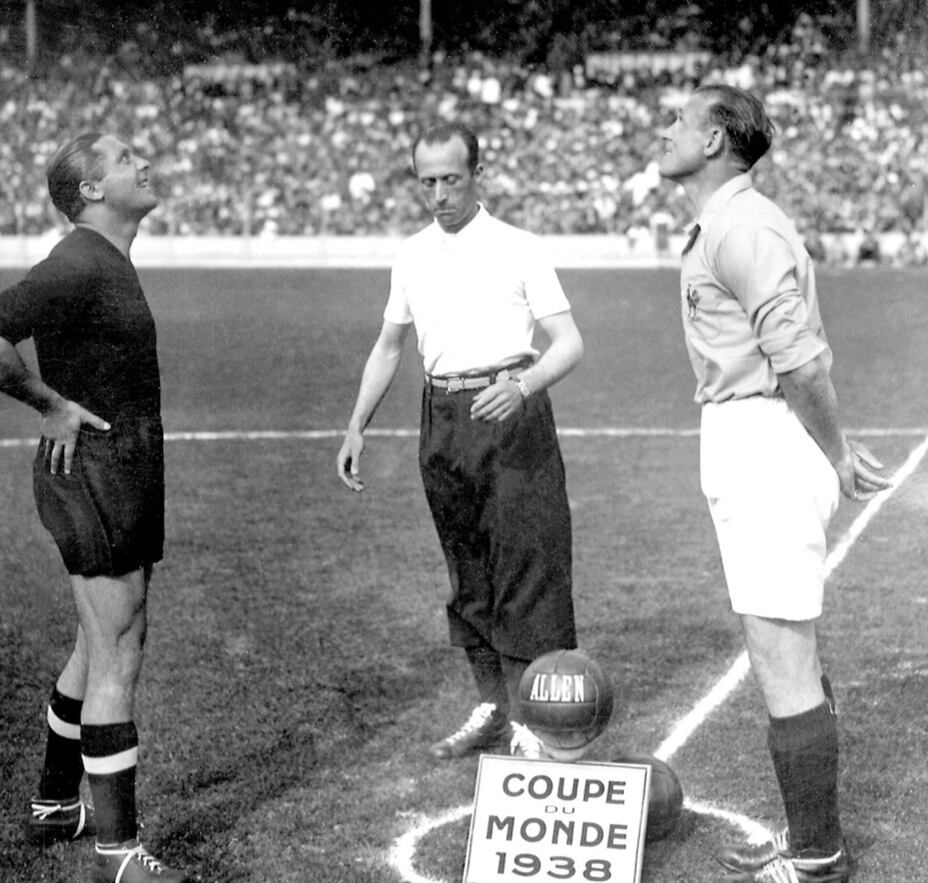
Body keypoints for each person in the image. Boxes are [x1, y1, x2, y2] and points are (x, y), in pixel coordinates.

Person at [657, 85, 891, 882]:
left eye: (678, 121)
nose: (665, 132)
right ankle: (810, 835)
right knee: (781, 646)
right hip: (751, 434)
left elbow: (798, 358)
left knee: (781, 653)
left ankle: (817, 855)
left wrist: (836, 449)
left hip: (766, 436)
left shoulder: (744, 226)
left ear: (718, 138)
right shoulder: (727, 222)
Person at [336, 121, 584, 760]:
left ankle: (533, 723)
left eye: (451, 179)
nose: (439, 194)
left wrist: (523, 387)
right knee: (467, 571)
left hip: (509, 411)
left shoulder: (518, 247)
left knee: (527, 566)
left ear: (478, 175)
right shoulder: (413, 253)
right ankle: (493, 711)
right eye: (427, 182)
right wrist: (356, 424)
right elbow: (389, 345)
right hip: (441, 416)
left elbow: (570, 343)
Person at [0, 133, 188, 883]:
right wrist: (47, 403)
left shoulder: (105, 258)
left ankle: (54, 803)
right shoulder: (77, 260)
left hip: (120, 470)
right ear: (90, 192)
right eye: (124, 158)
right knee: (119, 649)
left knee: (95, 638)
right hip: (97, 474)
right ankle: (120, 855)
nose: (144, 161)